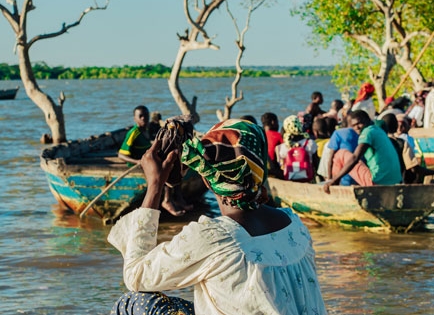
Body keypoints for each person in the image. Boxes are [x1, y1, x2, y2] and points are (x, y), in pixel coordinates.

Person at [108, 119, 327, 315]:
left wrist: (154, 187)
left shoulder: (215, 237)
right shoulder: (294, 225)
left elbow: (135, 276)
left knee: (134, 301)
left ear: (207, 178)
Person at [118, 105, 185, 217]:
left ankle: (179, 199)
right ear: (135, 119)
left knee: (175, 164)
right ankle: (167, 201)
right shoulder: (134, 133)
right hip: (140, 163)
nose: (144, 118)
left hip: (148, 161)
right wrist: (137, 161)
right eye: (140, 116)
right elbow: (121, 154)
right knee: (167, 170)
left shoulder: (147, 130)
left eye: (146, 115)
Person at [323, 110, 402, 193]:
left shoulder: (367, 132)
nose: (357, 127)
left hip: (377, 182)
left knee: (341, 154)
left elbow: (355, 158)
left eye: (360, 123)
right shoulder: (378, 130)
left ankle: (334, 184)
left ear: (368, 120)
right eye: (354, 125)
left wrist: (335, 179)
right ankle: (335, 183)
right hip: (395, 181)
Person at [323, 112, 360, 185]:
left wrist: (330, 180)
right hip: (360, 177)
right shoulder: (362, 134)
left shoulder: (338, 133)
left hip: (343, 179)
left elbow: (330, 159)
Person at [260, 112, 284, 178]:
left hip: (261, 168)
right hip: (273, 169)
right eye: (277, 122)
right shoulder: (278, 136)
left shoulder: (259, 135)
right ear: (273, 122)